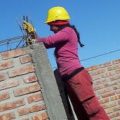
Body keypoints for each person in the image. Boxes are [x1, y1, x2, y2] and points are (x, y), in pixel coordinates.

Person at [23, 6, 110, 120]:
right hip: (70, 78)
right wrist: (33, 34)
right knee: (81, 112)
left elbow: (48, 41)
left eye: (51, 25)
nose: (50, 29)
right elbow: (46, 44)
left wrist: (34, 37)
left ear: (58, 22)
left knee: (93, 110)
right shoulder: (64, 34)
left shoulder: (68, 31)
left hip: (77, 77)